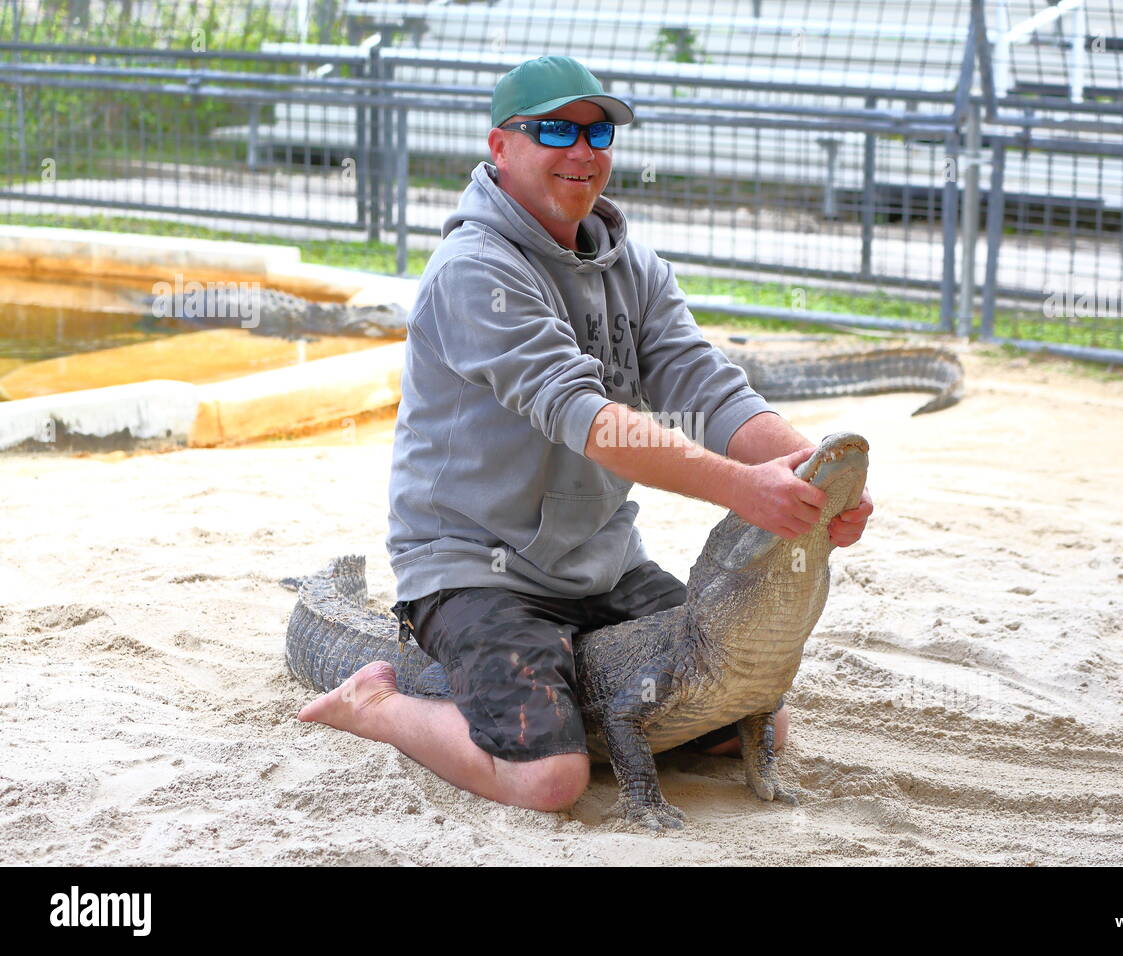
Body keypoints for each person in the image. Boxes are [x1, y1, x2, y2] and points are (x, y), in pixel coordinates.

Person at [298, 55, 873, 813]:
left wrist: (813, 477)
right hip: (477, 571)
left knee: (748, 722)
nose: (583, 150)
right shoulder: (476, 271)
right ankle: (374, 705)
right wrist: (746, 491)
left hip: (601, 564)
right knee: (550, 780)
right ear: (501, 147)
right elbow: (588, 422)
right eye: (554, 130)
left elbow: (708, 387)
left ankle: (552, 700)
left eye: (597, 131)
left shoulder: (632, 265)